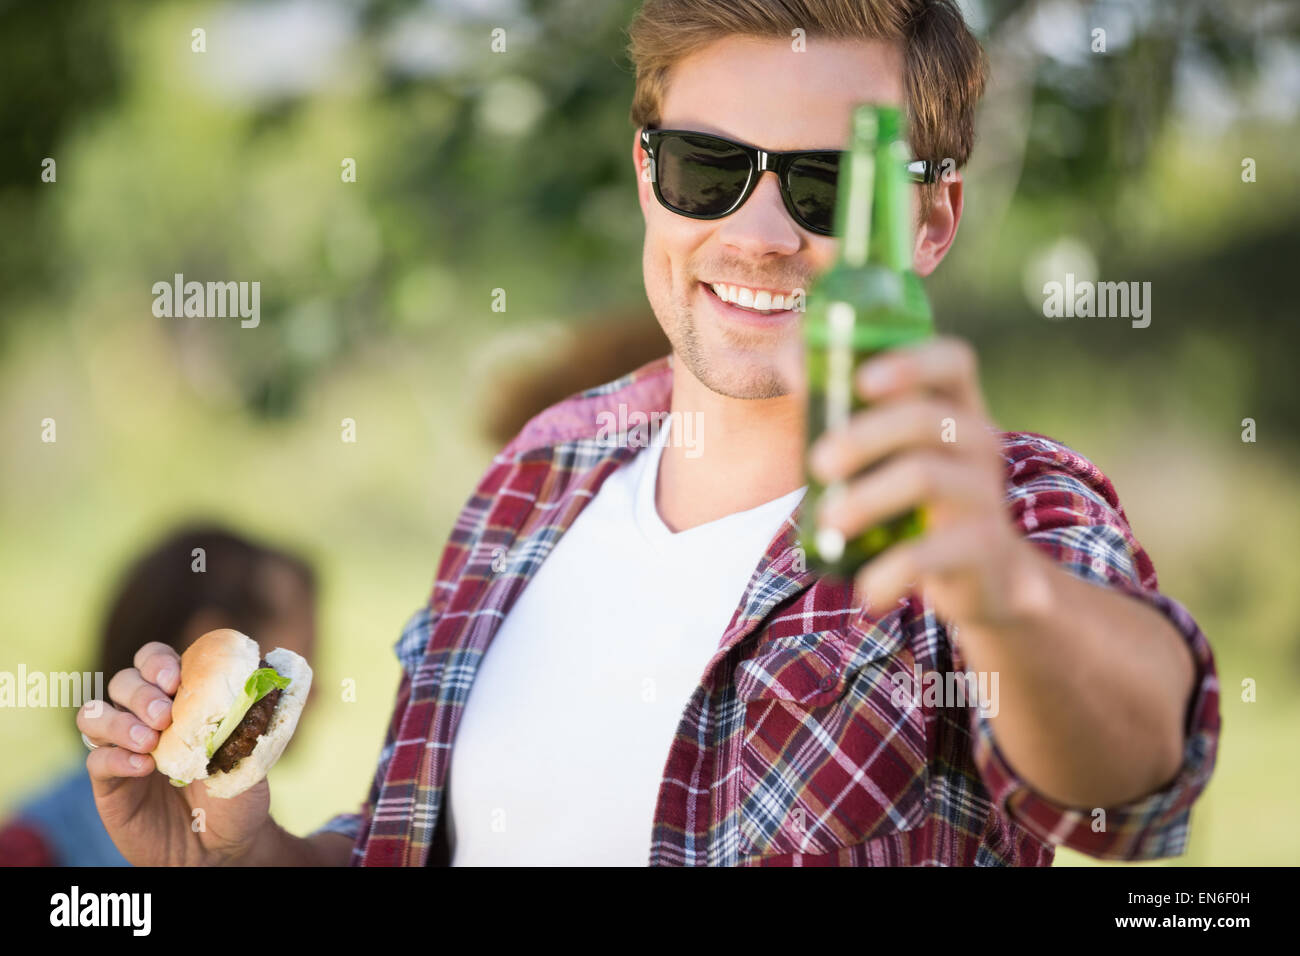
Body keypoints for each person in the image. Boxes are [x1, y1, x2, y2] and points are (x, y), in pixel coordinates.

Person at [80, 0, 1219, 866]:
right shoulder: (540, 468)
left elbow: (1137, 788)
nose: (759, 232)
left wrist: (1005, 596)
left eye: (828, 188)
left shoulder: (1003, 508)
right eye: (707, 169)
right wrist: (240, 845)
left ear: (930, 220)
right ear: (646, 177)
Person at [0, 524, 316, 865]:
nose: (321, 691)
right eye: (313, 649)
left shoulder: (233, 824)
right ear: (210, 637)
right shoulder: (27, 851)